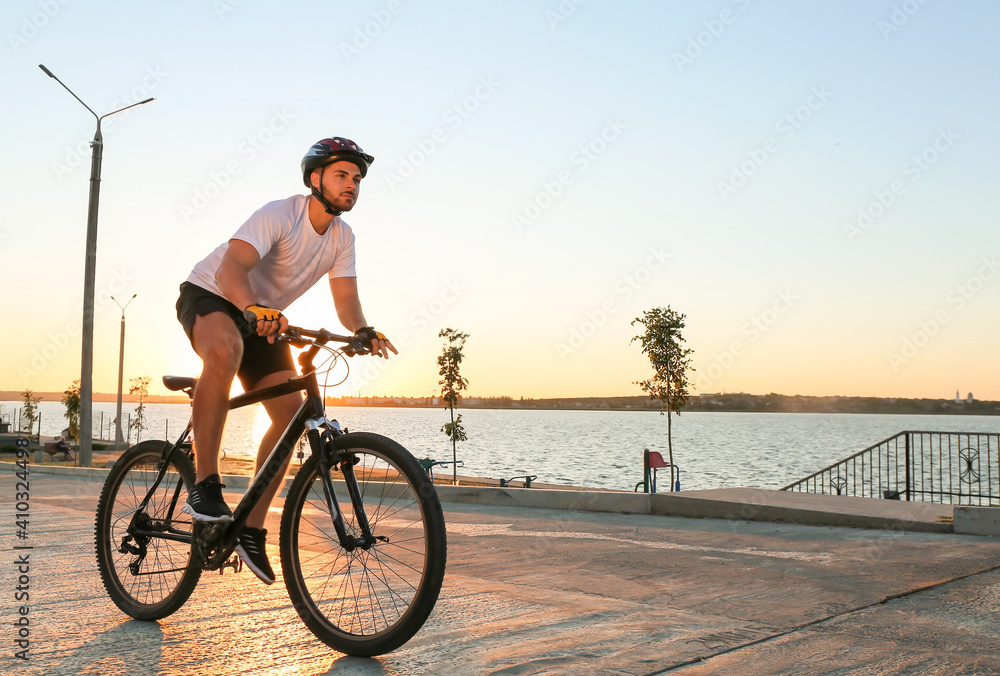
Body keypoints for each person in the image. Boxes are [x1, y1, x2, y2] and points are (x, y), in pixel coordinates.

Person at [175, 137, 396, 585]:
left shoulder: (343, 237)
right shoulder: (281, 213)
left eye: (356, 179)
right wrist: (252, 308)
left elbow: (347, 299)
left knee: (293, 415)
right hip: (214, 295)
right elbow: (231, 268)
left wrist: (362, 329)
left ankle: (251, 527)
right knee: (224, 351)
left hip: (265, 321)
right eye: (342, 175)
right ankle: (205, 486)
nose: (351, 184)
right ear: (315, 178)